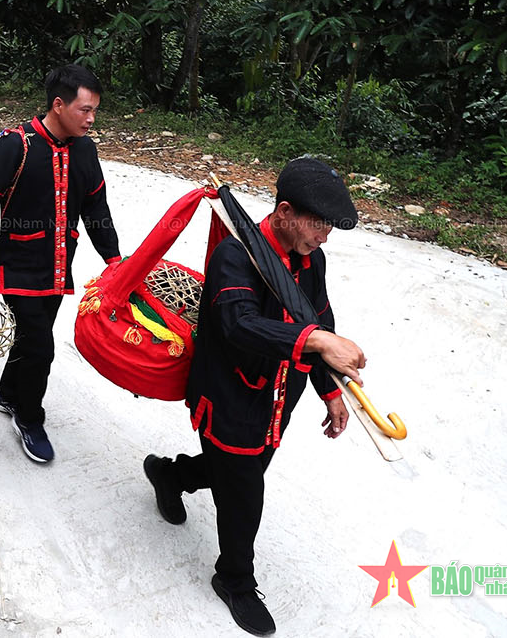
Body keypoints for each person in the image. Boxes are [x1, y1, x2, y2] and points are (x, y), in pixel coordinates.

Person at [142, 157, 366, 636]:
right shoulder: (235, 255)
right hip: (230, 397)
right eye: (318, 223)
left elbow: (318, 319)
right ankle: (234, 579)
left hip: (279, 399)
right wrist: (317, 341)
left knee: (240, 473)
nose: (324, 236)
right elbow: (239, 325)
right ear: (284, 212)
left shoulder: (312, 260)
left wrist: (329, 389)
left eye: (329, 227)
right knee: (245, 493)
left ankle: (170, 474)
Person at [0, 64, 120, 464]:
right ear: (58, 105)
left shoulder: (85, 150)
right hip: (17, 268)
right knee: (41, 349)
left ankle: (7, 393)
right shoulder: (15, 146)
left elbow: (96, 208)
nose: (91, 119)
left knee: (28, 340)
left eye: (94, 111)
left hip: (58, 268)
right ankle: (29, 418)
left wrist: (115, 260)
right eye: (85, 110)